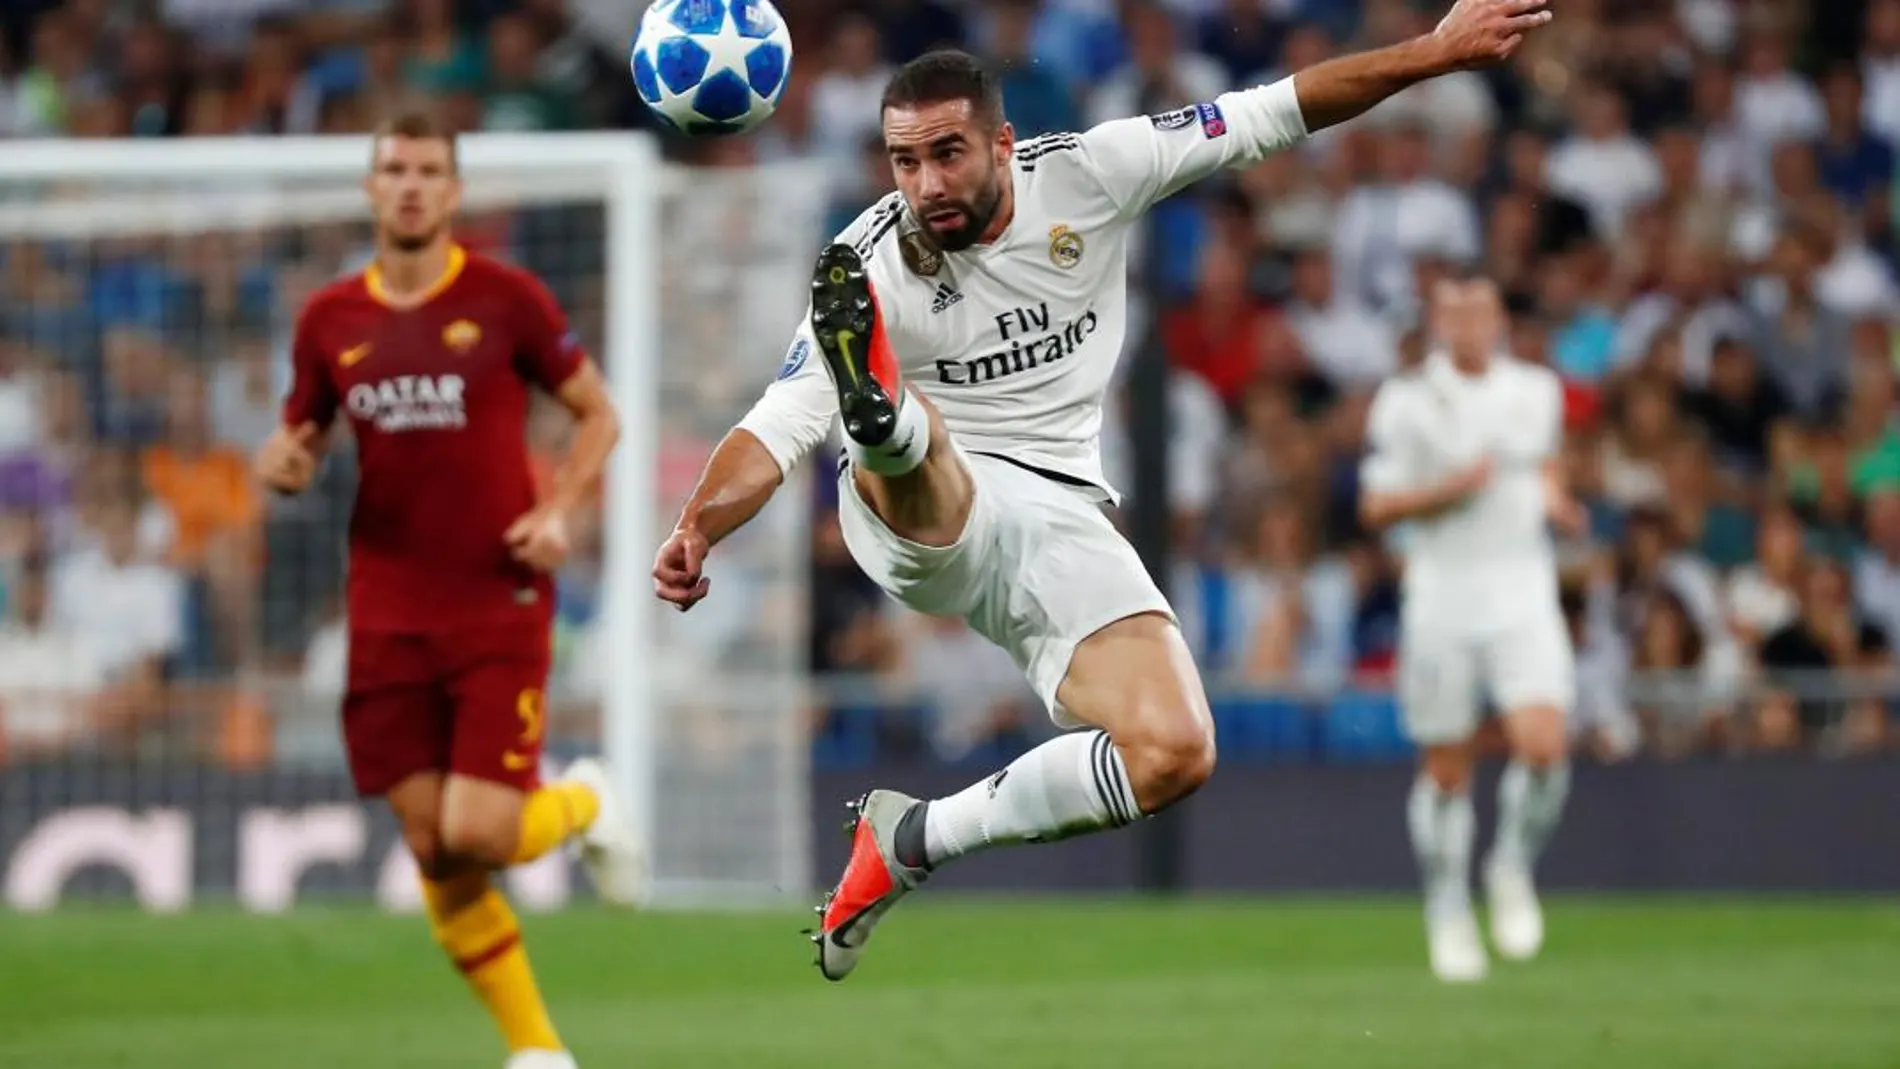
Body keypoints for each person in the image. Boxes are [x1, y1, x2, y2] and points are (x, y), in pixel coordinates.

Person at [653, 0, 1558, 983]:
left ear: (1002, 142)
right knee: (914, 450)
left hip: (1058, 515)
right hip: (913, 519)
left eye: (948, 155)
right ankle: (884, 419)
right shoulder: (867, 266)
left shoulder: (1089, 171)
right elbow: (775, 426)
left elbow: (1273, 111)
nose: (925, 184)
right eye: (904, 163)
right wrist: (698, 526)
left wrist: (1429, 55)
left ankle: (910, 838)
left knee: (1174, 749)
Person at [254, 110, 642, 1069]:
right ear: (371, 186)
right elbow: (297, 436)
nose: (413, 185)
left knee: (485, 829)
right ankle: (538, 1050)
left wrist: (560, 510)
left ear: (455, 191)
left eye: (431, 170)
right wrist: (283, 465)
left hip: (496, 596)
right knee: (433, 847)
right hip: (385, 608)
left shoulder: (507, 300)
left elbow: (598, 414)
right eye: (396, 169)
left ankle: (584, 801)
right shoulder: (327, 320)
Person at [1358, 274, 1582, 983]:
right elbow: (1376, 506)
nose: (1467, 322)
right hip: (1443, 593)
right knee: (1448, 769)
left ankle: (1511, 864)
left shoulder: (1536, 390)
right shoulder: (1407, 400)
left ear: (1498, 316)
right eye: (1452, 311)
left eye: (1479, 309)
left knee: (1544, 743)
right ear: (1436, 319)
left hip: (1522, 588)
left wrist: (1557, 500)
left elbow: (1544, 467)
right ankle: (1447, 904)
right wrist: (1447, 491)